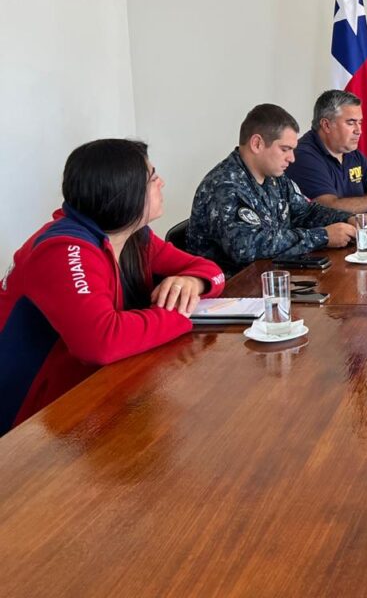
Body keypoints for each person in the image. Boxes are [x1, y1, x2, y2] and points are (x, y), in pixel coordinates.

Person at [0, 139, 226, 436]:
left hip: (85, 398)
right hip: (26, 423)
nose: (162, 183)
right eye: (153, 177)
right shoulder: (63, 249)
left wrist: (193, 282)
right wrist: (182, 313)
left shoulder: (134, 236)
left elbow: (212, 271)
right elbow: (102, 342)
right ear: (123, 190)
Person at [187, 104, 357, 275]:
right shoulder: (224, 186)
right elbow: (248, 247)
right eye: (285, 149)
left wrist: (348, 219)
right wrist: (323, 237)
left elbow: (305, 212)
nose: (292, 158)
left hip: (273, 277)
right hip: (234, 286)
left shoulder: (274, 177)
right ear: (257, 144)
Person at [286, 89, 367, 213]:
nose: (359, 131)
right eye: (351, 123)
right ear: (326, 125)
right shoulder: (303, 156)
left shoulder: (350, 152)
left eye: (360, 123)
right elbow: (328, 208)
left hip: (357, 225)